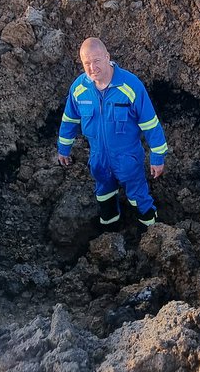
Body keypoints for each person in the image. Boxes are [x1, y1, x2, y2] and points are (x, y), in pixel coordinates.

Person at [57, 38, 168, 229]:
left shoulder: (130, 86)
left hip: (127, 158)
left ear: (107, 57)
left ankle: (153, 233)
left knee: (138, 197)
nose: (92, 68)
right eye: (87, 63)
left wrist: (157, 156)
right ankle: (110, 233)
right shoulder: (79, 89)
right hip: (98, 158)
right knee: (104, 195)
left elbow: (150, 124)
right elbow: (69, 120)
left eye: (97, 60)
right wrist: (63, 148)